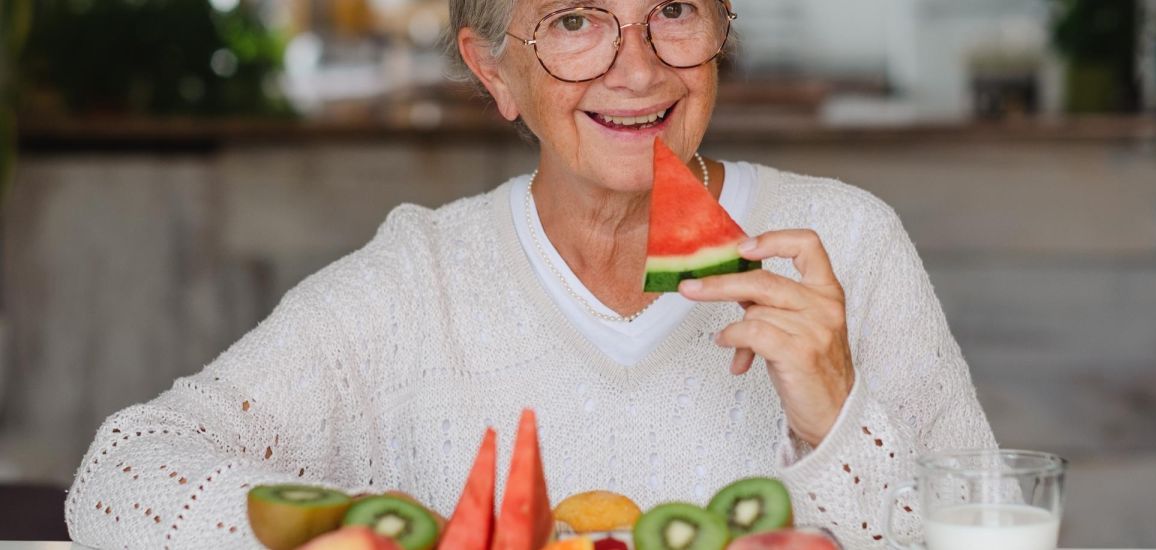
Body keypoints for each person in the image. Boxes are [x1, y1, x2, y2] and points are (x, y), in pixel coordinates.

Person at [65, 1, 997, 548]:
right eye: (574, 21)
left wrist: (836, 418)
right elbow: (118, 477)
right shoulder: (415, 281)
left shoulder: (846, 240)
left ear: (721, 33)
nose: (638, 71)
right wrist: (360, 537)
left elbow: (999, 532)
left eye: (672, 9)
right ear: (496, 71)